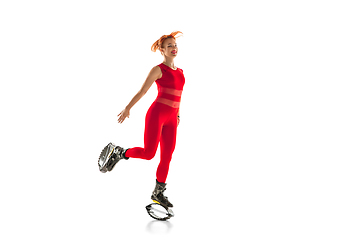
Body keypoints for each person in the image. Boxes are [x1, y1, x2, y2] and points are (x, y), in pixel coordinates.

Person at [106, 31, 184, 208]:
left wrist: (178, 114)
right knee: (149, 154)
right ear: (162, 50)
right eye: (169, 46)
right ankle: (121, 153)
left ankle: (158, 193)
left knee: (167, 157)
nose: (173, 48)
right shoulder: (158, 70)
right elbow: (143, 91)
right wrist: (127, 108)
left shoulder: (180, 72)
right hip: (156, 115)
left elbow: (179, 95)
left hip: (172, 119)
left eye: (175, 45)